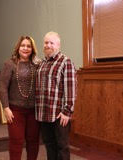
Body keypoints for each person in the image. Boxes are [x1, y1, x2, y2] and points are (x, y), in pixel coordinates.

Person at [35, 31, 76, 160]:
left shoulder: (65, 62)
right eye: (46, 42)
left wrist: (67, 111)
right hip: (44, 113)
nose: (48, 45)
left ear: (58, 45)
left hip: (59, 114)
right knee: (49, 145)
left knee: (62, 147)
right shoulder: (42, 64)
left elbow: (71, 89)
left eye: (51, 42)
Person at [0, 36, 40, 160]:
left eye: (28, 46)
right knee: (16, 142)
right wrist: (5, 107)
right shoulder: (9, 64)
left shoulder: (37, 64)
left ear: (32, 49)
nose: (25, 48)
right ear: (18, 47)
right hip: (15, 111)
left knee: (33, 141)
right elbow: (2, 87)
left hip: (34, 111)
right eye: (23, 45)